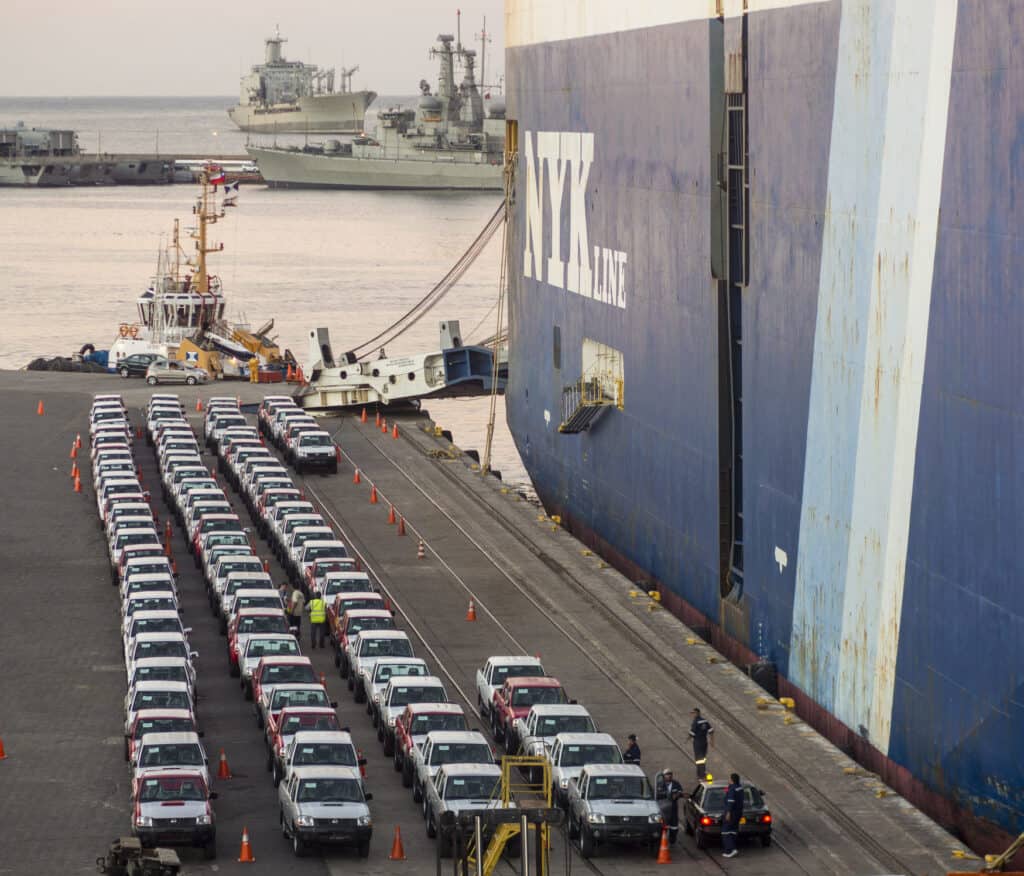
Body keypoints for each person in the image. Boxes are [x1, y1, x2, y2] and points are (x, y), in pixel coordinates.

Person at [656, 768, 685, 844]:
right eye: (667, 774)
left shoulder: (676, 783)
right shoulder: (659, 784)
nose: (669, 776)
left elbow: (681, 792)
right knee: (663, 825)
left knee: (674, 826)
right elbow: (656, 795)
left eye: (670, 774)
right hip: (663, 808)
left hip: (673, 808)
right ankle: (662, 840)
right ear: (663, 776)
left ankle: (672, 840)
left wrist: (678, 795)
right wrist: (665, 795)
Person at [722, 772, 744, 858]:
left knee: (725, 832)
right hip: (738, 812)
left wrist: (728, 812)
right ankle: (732, 849)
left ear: (732, 780)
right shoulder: (740, 788)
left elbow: (730, 801)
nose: (728, 780)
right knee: (733, 831)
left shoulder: (732, 788)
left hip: (732, 813)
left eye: (729, 779)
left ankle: (731, 849)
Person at [690, 708, 714, 778]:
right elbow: (711, 730)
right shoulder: (705, 721)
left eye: (693, 713)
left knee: (698, 759)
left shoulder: (695, 722)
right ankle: (702, 772)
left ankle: (700, 774)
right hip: (704, 742)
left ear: (697, 713)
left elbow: (692, 733)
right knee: (703, 758)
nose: (692, 714)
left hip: (698, 743)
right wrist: (712, 741)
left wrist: (687, 739)